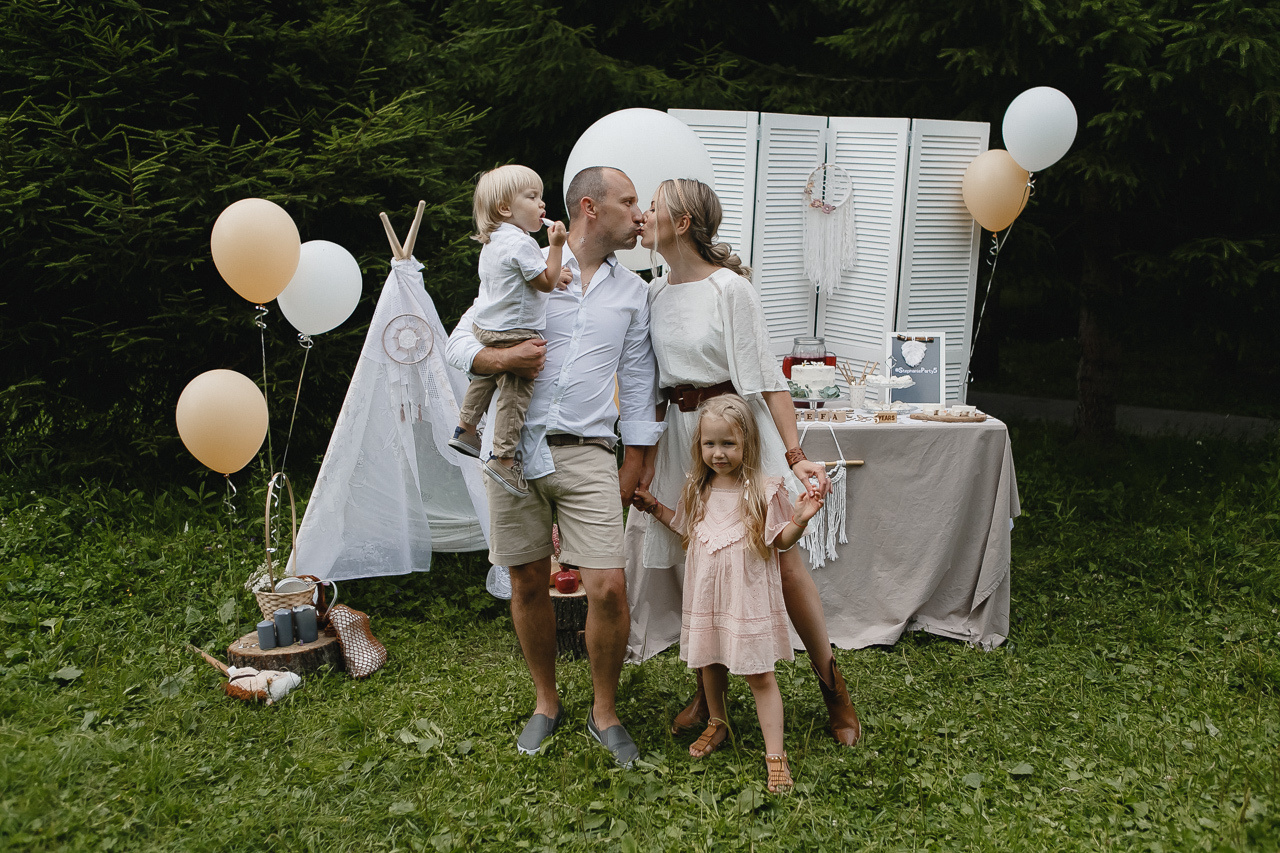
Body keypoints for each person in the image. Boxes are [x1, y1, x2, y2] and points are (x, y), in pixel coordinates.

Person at [626, 177, 862, 747]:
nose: (642, 216)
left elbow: (767, 379)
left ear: (681, 223)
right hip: (686, 440)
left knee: (777, 562)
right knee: (705, 559)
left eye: (652, 208)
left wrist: (796, 455)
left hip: (739, 434)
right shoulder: (653, 291)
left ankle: (833, 686)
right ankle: (715, 696)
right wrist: (651, 462)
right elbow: (652, 389)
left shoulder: (731, 290)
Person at [445, 166, 664, 767]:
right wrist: (499, 356)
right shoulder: (523, 262)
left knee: (608, 588)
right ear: (590, 208)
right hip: (517, 450)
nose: (639, 213)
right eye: (629, 202)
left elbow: (640, 382)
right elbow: (459, 341)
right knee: (525, 580)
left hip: (592, 451)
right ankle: (546, 702)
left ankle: (605, 710)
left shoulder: (634, 293)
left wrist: (637, 459)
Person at [633, 394, 823, 794]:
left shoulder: (764, 491)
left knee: (759, 674)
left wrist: (801, 520)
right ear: (698, 445)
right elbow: (685, 527)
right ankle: (717, 721)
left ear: (747, 444)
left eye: (728, 444)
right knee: (710, 661)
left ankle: (776, 755)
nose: (718, 454)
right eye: (709, 444)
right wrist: (654, 508)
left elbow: (781, 539)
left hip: (746, 601)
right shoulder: (697, 489)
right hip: (707, 598)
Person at [448, 164, 568, 499]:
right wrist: (556, 247)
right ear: (505, 208)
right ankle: (502, 457)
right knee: (516, 393)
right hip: (514, 333)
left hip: (486, 328)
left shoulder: (494, 242)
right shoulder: (524, 243)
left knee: (484, 379)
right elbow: (542, 283)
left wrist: (555, 275)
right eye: (532, 197)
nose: (542, 204)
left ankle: (466, 428)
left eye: (541, 197)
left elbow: (519, 281)